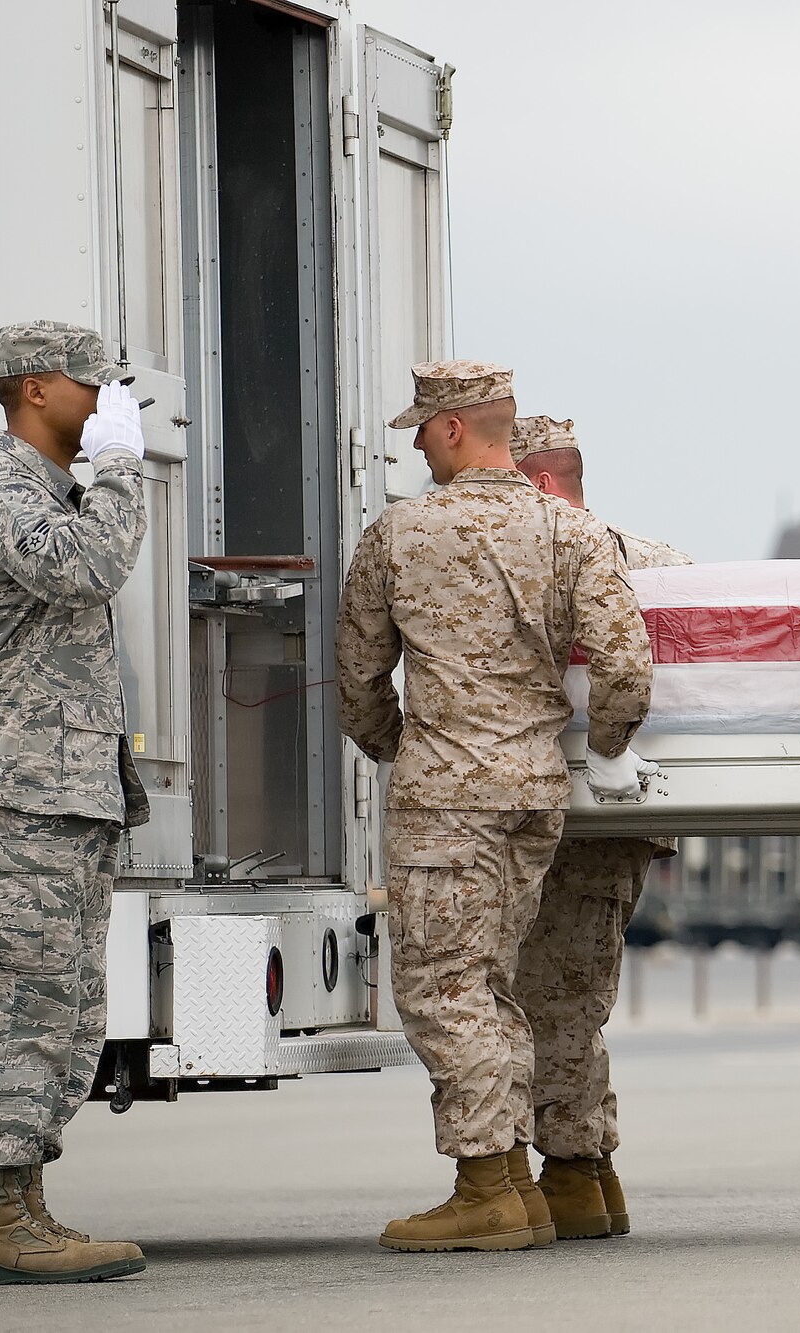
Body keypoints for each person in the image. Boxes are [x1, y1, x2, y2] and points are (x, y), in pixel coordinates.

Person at [337, 362, 655, 1252]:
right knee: (497, 984)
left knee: (447, 987)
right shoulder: (567, 528)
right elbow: (627, 662)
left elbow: (359, 681)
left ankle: (483, 1182)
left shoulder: (399, 534)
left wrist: (405, 747)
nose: (415, 448)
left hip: (447, 798)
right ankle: (517, 1178)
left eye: (419, 431)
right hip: (534, 798)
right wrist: (604, 747)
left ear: (449, 429)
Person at [0, 320, 151, 1285]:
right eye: (93, 385)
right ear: (34, 388)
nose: (109, 402)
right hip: (15, 791)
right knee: (13, 1007)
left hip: (63, 795)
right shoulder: (5, 490)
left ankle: (22, 1204)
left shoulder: (53, 491)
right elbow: (86, 569)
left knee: (64, 1012)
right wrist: (118, 475)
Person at [509, 414, 689, 1239]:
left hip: (575, 810)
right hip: (624, 817)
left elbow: (624, 670)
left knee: (553, 997)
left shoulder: (560, 552)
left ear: (544, 486)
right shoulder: (663, 563)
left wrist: (608, 750)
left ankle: (575, 1169)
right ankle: (590, 1170)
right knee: (575, 995)